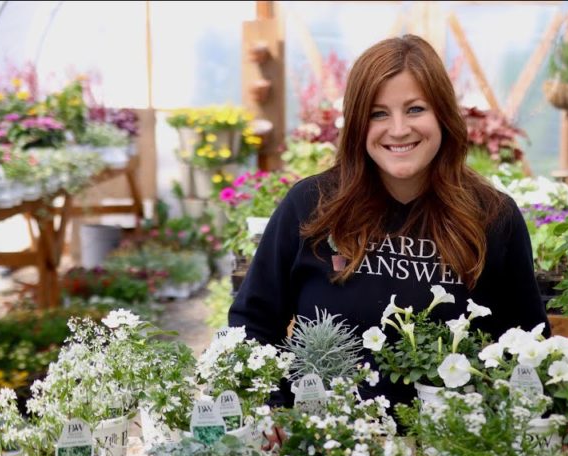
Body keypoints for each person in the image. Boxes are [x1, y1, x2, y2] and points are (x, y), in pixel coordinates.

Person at [228, 34, 547, 414]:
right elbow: (252, 322)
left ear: (443, 114)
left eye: (415, 109)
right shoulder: (312, 206)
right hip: (332, 446)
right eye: (378, 114)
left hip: (456, 445)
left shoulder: (492, 216)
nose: (398, 130)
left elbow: (528, 339)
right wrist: (274, 409)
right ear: (359, 124)